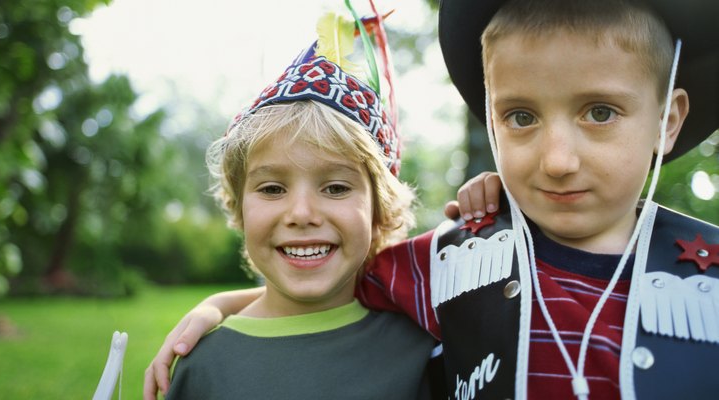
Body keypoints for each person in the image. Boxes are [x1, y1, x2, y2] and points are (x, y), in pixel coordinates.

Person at [146, 0, 719, 399]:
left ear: (667, 122)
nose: (558, 160)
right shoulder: (447, 260)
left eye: (599, 112)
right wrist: (219, 306)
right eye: (521, 117)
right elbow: (335, 274)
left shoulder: (708, 274)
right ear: (492, 125)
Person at [158, 7, 442, 400]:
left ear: (380, 210)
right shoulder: (203, 363)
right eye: (273, 189)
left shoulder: (425, 345)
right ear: (239, 208)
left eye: (337, 188)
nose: (302, 214)